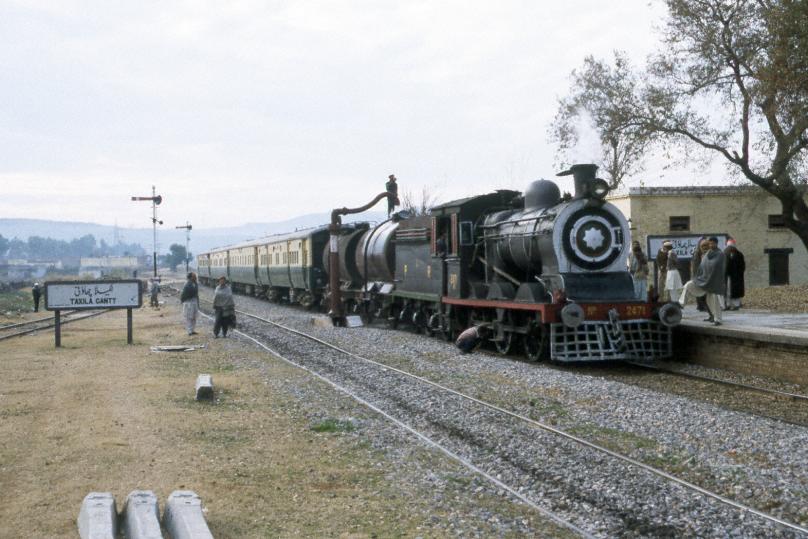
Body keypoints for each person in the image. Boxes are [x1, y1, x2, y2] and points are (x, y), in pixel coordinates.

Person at [679, 236, 726, 325]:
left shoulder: (720, 254)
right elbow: (701, 267)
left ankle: (718, 319)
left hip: (713, 283)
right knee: (688, 285)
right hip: (702, 281)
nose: (710, 245)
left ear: (716, 243)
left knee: (713, 301)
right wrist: (697, 278)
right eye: (709, 243)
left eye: (712, 243)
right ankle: (681, 304)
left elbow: (717, 268)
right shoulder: (706, 254)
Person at [724, 239, 746, 310]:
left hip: (732, 276)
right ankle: (731, 305)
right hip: (733, 276)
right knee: (729, 291)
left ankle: (731, 305)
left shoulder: (725, 253)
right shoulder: (739, 254)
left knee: (731, 291)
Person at [690, 238, 710, 312]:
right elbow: (696, 266)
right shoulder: (697, 254)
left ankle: (701, 306)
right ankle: (701, 306)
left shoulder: (704, 253)